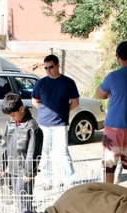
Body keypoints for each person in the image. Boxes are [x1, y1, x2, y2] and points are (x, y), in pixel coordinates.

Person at [95, 41, 127, 191]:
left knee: (109, 166)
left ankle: (109, 195)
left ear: (117, 56)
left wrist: (110, 93)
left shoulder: (113, 77)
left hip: (113, 128)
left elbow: (99, 93)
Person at [32, 54, 79, 190]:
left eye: (51, 67)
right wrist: (45, 109)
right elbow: (35, 100)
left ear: (58, 65)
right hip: (43, 124)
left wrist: (63, 111)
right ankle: (47, 181)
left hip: (60, 124)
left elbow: (75, 102)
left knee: (63, 153)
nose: (48, 70)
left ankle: (69, 181)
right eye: (46, 68)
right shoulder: (41, 83)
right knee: (45, 153)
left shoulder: (68, 82)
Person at [0, 92, 43, 213]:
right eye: (9, 116)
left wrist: (29, 172)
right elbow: (4, 145)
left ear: (21, 109)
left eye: (13, 115)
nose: (12, 118)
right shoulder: (10, 124)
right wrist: (2, 164)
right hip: (12, 169)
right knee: (18, 199)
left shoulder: (32, 127)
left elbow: (33, 152)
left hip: (24, 173)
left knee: (25, 202)